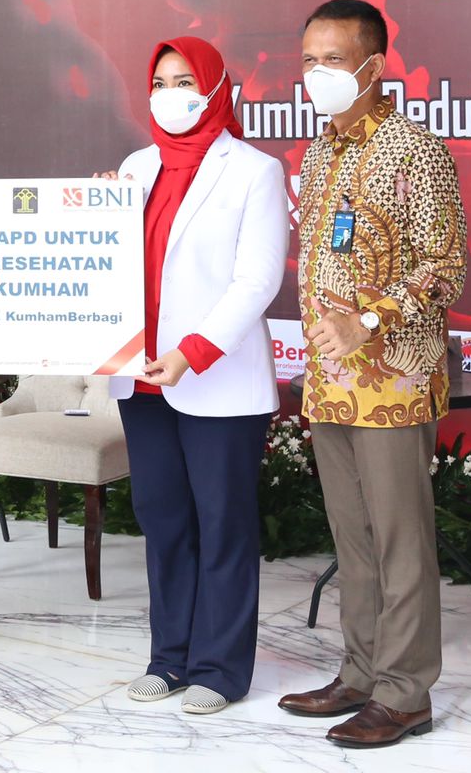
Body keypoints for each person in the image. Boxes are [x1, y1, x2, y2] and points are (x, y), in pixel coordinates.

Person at [277, 0, 467, 748]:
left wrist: (372, 319)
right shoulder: (320, 152)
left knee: (398, 540)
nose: (316, 74)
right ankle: (359, 673)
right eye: (307, 61)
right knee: (352, 537)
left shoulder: (415, 149)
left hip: (392, 377)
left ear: (373, 66)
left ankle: (405, 691)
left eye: (332, 59)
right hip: (329, 381)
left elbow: (444, 267)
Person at [98, 37, 287, 716]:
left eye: (184, 80)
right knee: (164, 518)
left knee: (222, 522)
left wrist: (194, 349)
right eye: (158, 80)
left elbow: (258, 278)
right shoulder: (134, 166)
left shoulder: (253, 171)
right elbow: (113, 263)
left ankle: (220, 668)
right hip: (142, 380)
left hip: (216, 379)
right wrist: (88, 219)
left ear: (214, 89)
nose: (169, 92)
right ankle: (168, 658)